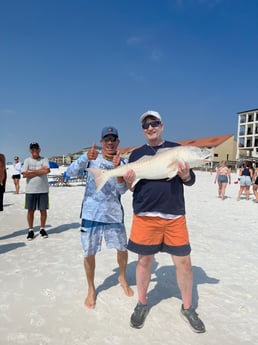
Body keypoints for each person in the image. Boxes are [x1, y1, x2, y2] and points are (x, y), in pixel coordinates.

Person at [123, 110, 206, 333]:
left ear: (162, 125)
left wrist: (186, 174)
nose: (150, 127)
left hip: (174, 215)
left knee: (184, 263)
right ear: (143, 130)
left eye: (155, 123)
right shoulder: (136, 154)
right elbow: (131, 187)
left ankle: (188, 308)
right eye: (146, 125)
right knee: (144, 262)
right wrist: (129, 182)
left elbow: (190, 180)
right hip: (145, 215)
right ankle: (142, 303)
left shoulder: (177, 148)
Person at [66, 126, 134, 309]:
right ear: (102, 142)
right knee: (89, 252)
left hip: (113, 214)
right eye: (106, 139)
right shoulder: (91, 159)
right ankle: (91, 287)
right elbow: (70, 173)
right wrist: (84, 158)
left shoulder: (124, 161)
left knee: (122, 248)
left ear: (118, 142)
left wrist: (119, 169)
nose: (110, 142)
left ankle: (122, 276)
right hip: (91, 213)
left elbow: (122, 191)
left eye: (113, 139)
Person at [21, 143, 50, 240]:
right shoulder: (27, 160)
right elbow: (24, 174)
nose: (35, 151)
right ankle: (30, 230)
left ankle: (42, 228)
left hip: (43, 190)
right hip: (30, 190)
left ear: (39, 149)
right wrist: (40, 171)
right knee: (30, 211)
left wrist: (31, 171)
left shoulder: (44, 159)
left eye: (36, 149)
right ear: (30, 150)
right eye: (33, 149)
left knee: (43, 210)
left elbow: (47, 171)